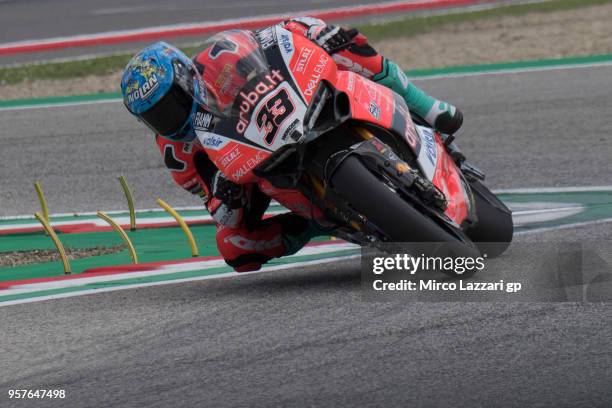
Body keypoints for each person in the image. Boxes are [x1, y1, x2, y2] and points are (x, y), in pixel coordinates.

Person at [120, 17, 463, 272]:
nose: (171, 118)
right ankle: (318, 223)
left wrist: (315, 34)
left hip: (294, 110)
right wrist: (224, 198)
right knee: (234, 248)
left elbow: (277, 38)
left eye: (172, 103)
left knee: (347, 43)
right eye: (157, 116)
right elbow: (217, 207)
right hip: (257, 167)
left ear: (186, 77)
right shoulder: (176, 152)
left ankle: (427, 108)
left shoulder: (220, 58)